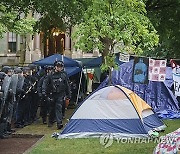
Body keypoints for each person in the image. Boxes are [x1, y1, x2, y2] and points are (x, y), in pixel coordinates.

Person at [42, 61, 71, 129]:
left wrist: (68, 94)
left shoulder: (64, 75)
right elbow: (45, 84)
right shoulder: (50, 75)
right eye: (58, 67)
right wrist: (44, 92)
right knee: (52, 109)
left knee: (59, 107)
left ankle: (59, 123)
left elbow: (67, 85)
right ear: (55, 67)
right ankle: (51, 121)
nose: (59, 68)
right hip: (52, 94)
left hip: (60, 94)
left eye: (60, 67)